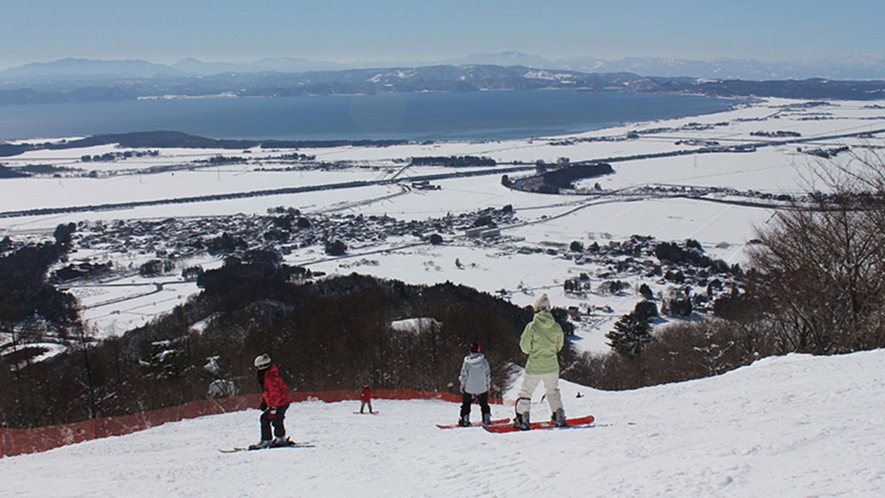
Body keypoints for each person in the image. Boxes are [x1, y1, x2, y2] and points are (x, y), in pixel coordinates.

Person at [514, 293, 566, 430]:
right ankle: (559, 415)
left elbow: (525, 347)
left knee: (525, 393)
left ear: (536, 309)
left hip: (535, 367)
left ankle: (523, 418)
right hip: (552, 366)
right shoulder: (556, 327)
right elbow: (559, 346)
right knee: (552, 391)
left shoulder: (532, 327)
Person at [252, 353, 293, 449]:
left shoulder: (269, 378)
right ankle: (279, 438)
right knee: (273, 419)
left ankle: (270, 440)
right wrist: (265, 402)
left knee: (269, 419)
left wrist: (273, 408)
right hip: (281, 402)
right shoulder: (269, 376)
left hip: (280, 403)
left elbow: (275, 393)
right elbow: (268, 392)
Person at [458, 341, 492, 426]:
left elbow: (464, 374)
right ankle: (486, 418)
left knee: (466, 404)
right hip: (482, 387)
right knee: (484, 404)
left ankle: (465, 419)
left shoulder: (467, 362)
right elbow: (487, 374)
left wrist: (462, 384)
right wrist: (488, 384)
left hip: (469, 388)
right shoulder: (484, 361)